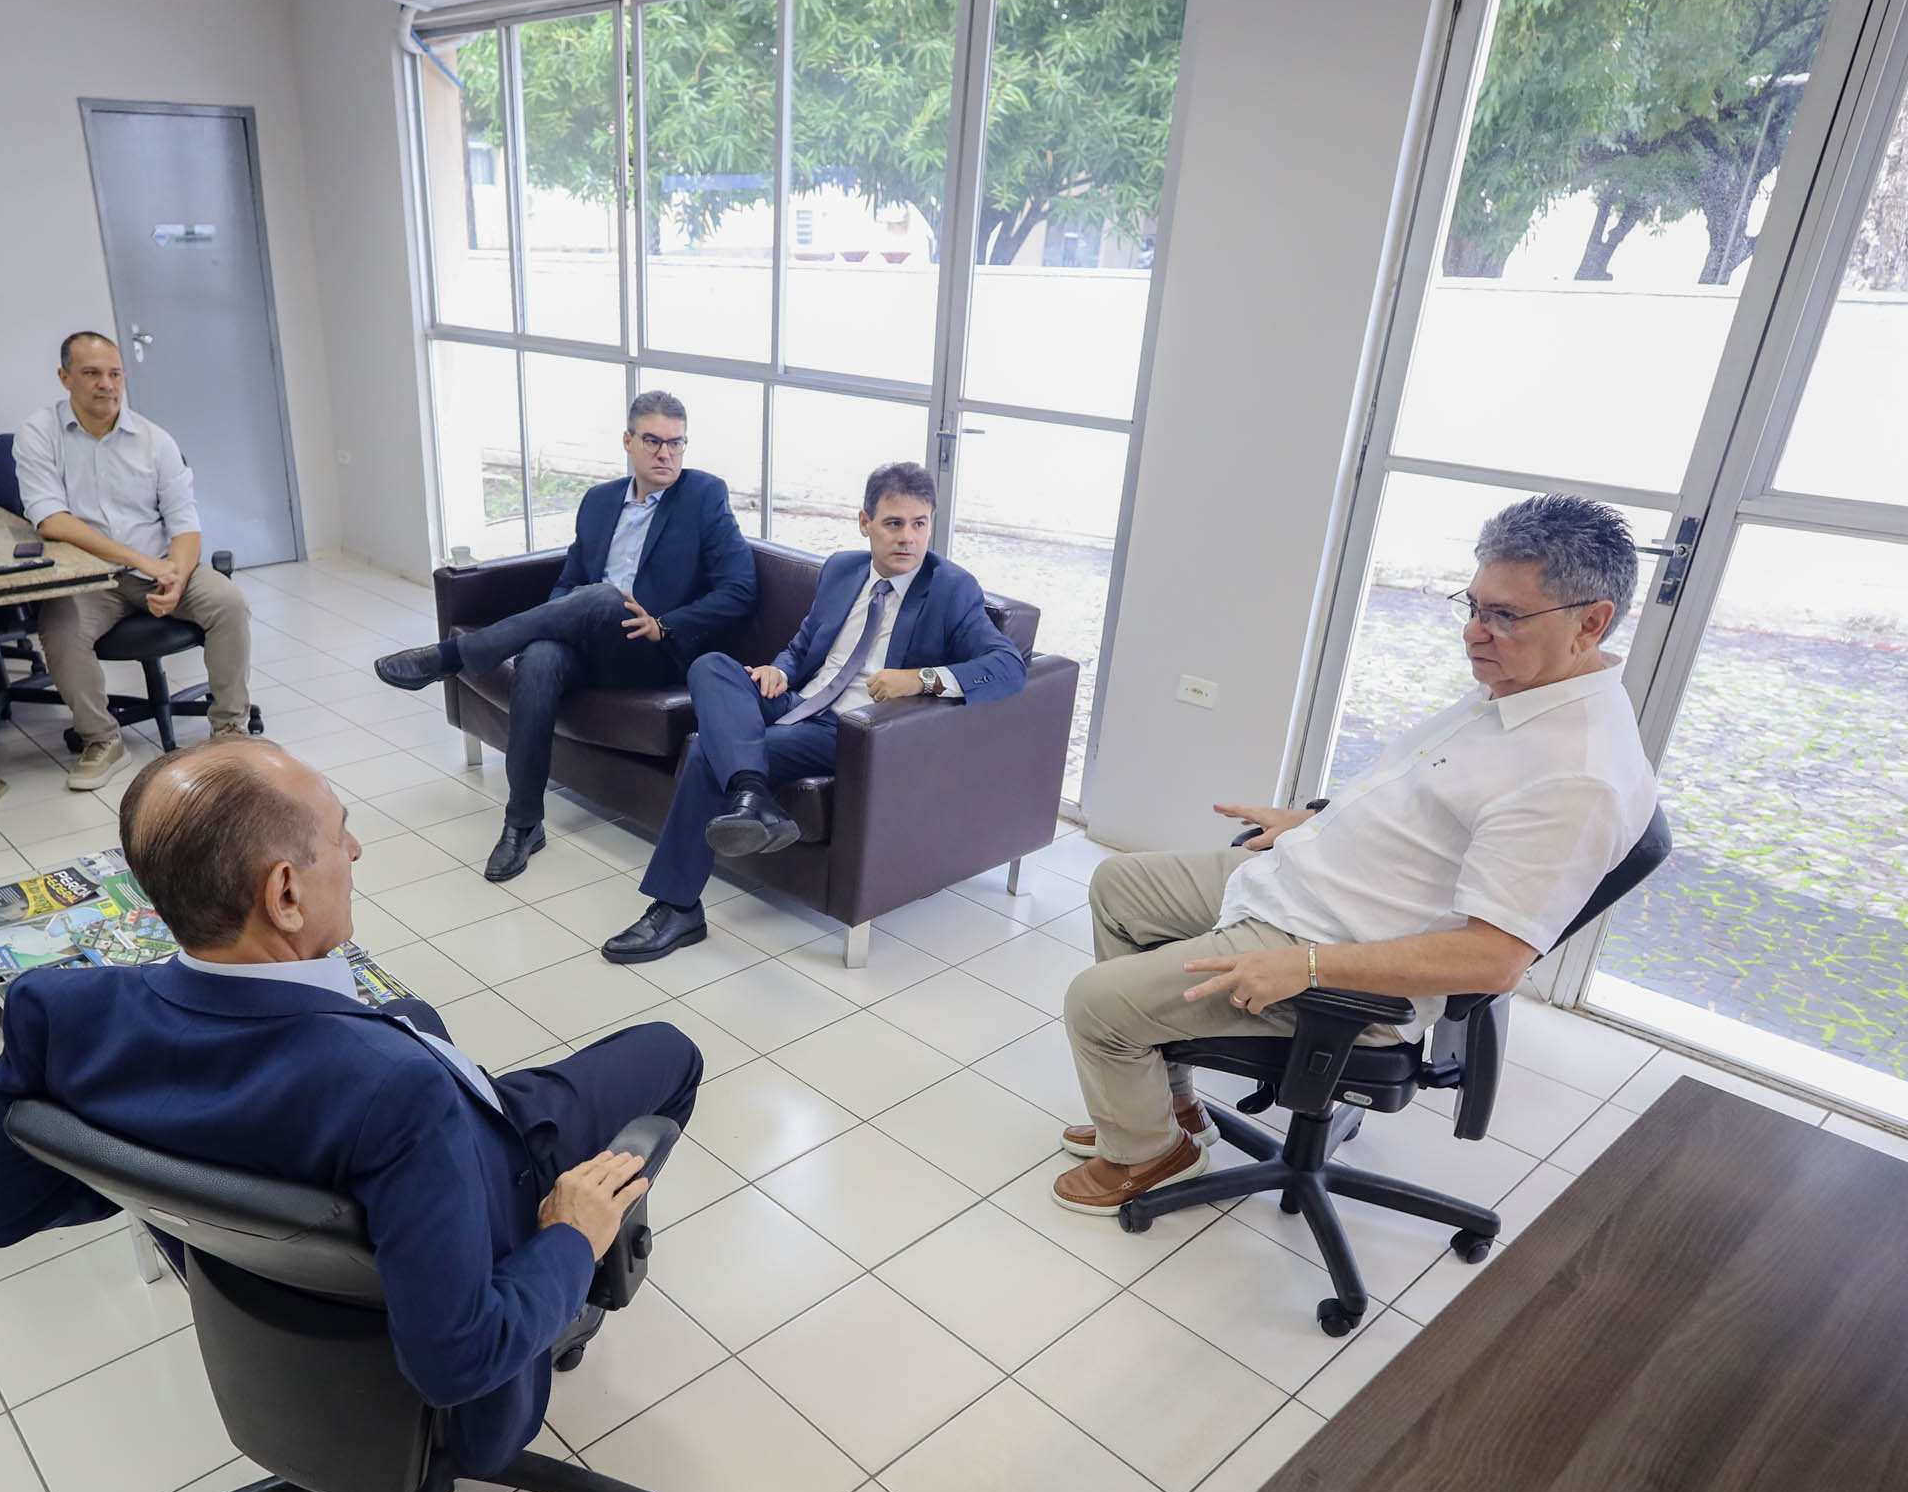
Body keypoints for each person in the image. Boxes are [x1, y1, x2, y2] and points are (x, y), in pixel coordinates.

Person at [0, 736, 703, 1479]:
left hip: (288, 1250)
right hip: (474, 1207)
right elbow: (459, 1360)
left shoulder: (60, 1013)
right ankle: (585, 1301)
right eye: (339, 834)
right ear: (284, 894)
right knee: (670, 1053)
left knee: (413, 1012)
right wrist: (572, 1240)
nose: (356, 850)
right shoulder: (394, 1091)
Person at [1051, 494, 1659, 1213]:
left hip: (1330, 947)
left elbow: (1496, 959)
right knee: (1121, 886)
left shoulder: (1575, 774)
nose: (1474, 632)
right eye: (1472, 604)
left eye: (1504, 616)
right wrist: (1310, 821)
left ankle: (1153, 1154)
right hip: (1311, 882)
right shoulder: (1517, 688)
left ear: (1591, 622)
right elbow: (1429, 806)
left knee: (1094, 1005)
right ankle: (1168, 1108)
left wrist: (1302, 966)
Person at [600, 461, 1028, 963]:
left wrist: (921, 678)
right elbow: (804, 647)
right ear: (864, 521)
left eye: (920, 523)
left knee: (705, 752)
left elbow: (1009, 667)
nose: (909, 538)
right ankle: (751, 794)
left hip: (855, 729)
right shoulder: (842, 569)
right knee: (712, 667)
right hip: (801, 700)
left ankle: (677, 907)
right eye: (894, 523)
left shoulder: (952, 589)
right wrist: (778, 669)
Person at [373, 390, 756, 882]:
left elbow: (740, 590)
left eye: (677, 444)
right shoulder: (599, 502)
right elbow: (567, 583)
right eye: (654, 441)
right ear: (628, 441)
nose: (666, 455)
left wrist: (665, 625)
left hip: (654, 650)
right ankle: (523, 823)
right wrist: (556, 622)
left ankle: (453, 656)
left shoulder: (704, 495)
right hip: (590, 641)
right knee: (539, 658)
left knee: (601, 596)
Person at [17, 331, 255, 790]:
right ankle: (103, 740)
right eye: (91, 373)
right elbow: (52, 521)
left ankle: (230, 731)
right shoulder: (38, 433)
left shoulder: (154, 440)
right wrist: (146, 563)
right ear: (65, 378)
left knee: (228, 602)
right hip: (89, 578)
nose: (105, 384)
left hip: (162, 567)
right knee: (61, 631)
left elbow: (184, 521)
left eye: (114, 373)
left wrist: (177, 576)